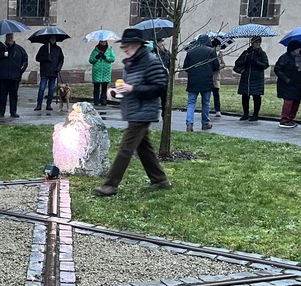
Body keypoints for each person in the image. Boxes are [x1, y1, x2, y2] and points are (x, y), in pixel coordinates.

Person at [94, 28, 170, 197]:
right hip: (134, 110)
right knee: (144, 148)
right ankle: (159, 179)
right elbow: (129, 88)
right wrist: (116, 92)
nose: (125, 49)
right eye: (124, 46)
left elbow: (159, 88)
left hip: (144, 112)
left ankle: (110, 185)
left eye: (127, 46)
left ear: (138, 45)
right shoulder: (131, 63)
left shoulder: (151, 62)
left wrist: (132, 88)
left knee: (126, 148)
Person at [182, 35, 220, 132]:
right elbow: (216, 66)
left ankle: (189, 123)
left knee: (191, 103)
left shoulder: (191, 51)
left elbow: (185, 66)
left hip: (193, 81)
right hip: (206, 81)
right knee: (206, 103)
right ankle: (205, 123)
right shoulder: (211, 51)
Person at [0, 33, 28, 118]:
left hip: (15, 77)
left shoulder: (19, 49)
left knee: (13, 95)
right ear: (6, 38)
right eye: (8, 38)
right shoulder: (0, 48)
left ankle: (13, 112)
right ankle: (1, 112)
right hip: (3, 76)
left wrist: (21, 71)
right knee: (3, 95)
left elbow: (25, 60)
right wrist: (2, 55)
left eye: (11, 38)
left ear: (13, 38)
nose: (10, 39)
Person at [234, 37, 269, 122]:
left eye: (258, 43)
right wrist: (246, 60)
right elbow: (237, 62)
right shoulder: (246, 53)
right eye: (254, 43)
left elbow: (265, 65)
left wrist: (256, 62)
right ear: (251, 43)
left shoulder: (262, 54)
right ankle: (245, 114)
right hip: (246, 77)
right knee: (245, 96)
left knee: (256, 96)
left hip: (257, 78)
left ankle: (255, 114)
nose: (256, 44)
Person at [274, 40, 301, 128]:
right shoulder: (285, 57)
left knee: (297, 101)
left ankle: (291, 118)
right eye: (296, 48)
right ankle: (284, 120)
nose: (298, 50)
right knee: (288, 101)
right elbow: (277, 69)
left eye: (299, 48)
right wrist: (286, 79)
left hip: (299, 83)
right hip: (288, 83)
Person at [34, 36, 64, 111]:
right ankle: (39, 104)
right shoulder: (43, 48)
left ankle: (49, 104)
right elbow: (37, 58)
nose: (53, 40)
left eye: (54, 38)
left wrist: (58, 68)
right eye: (52, 38)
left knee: (51, 90)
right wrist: (45, 57)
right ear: (49, 39)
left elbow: (61, 59)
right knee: (42, 88)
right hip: (45, 71)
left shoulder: (58, 49)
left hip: (53, 72)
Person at [88, 40, 115, 107]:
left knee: (104, 87)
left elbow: (113, 59)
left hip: (106, 72)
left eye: (104, 41)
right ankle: (96, 101)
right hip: (97, 72)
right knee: (96, 88)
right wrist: (96, 57)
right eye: (101, 41)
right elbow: (91, 60)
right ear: (99, 42)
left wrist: (105, 57)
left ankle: (103, 101)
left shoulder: (109, 49)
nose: (103, 43)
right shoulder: (95, 50)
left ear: (106, 42)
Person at [210, 37, 227, 118]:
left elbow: (224, 64)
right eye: (218, 46)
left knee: (216, 94)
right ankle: (207, 109)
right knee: (207, 94)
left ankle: (218, 110)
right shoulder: (209, 53)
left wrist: (219, 66)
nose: (220, 47)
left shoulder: (220, 54)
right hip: (209, 76)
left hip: (216, 77)